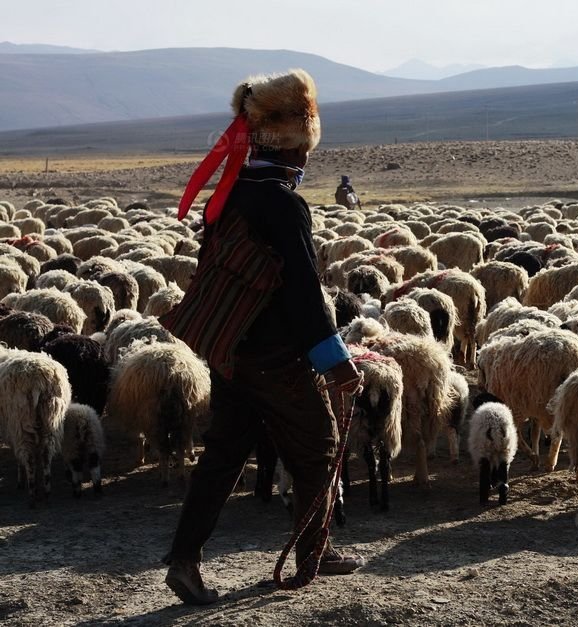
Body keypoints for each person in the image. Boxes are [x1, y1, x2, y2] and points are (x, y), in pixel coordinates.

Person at [161, 69, 365, 606]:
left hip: (230, 350)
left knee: (224, 453)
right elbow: (301, 290)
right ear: (298, 147)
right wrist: (334, 360)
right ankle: (311, 553)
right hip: (277, 356)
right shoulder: (282, 202)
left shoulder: (231, 194)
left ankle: (185, 560)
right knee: (318, 449)